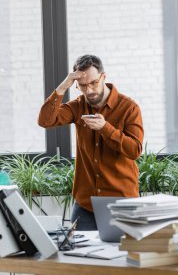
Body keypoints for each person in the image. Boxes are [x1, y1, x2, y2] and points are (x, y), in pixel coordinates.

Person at [38, 54, 144, 230]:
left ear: (103, 77)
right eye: (83, 86)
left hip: (122, 202)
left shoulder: (128, 107)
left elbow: (134, 150)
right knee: (76, 254)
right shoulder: (78, 106)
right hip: (86, 204)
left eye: (93, 83)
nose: (89, 91)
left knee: (123, 254)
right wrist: (64, 85)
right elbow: (45, 120)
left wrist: (105, 128)